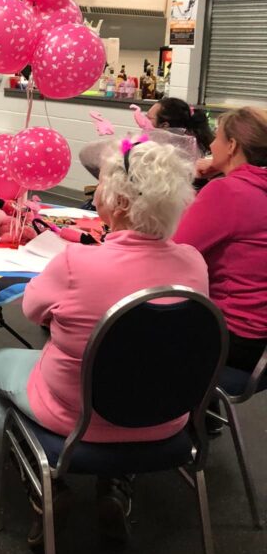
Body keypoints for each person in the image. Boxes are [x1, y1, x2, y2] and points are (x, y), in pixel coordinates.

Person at [0, 139, 209, 548]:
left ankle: (44, 483)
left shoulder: (75, 262)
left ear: (118, 202)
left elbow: (32, 311)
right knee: (136, 367)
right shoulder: (194, 262)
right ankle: (116, 485)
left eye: (100, 183)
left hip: (75, 417)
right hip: (166, 419)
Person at [174, 107, 267, 373]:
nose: (212, 144)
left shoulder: (228, 191)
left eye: (217, 137)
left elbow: (175, 250)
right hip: (260, 342)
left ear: (232, 145)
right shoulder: (253, 186)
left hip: (233, 336)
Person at [79, 96, 208, 180]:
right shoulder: (193, 145)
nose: (143, 121)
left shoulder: (150, 149)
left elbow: (87, 153)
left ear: (164, 125)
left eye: (149, 118)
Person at [146, 97, 214, 156]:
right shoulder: (150, 139)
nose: (144, 119)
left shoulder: (176, 152)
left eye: (149, 118)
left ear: (164, 125)